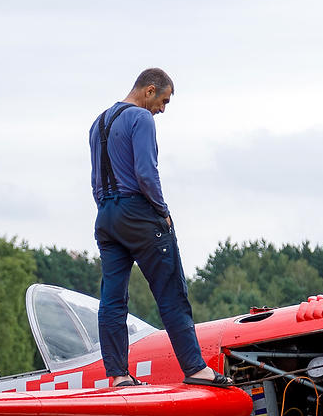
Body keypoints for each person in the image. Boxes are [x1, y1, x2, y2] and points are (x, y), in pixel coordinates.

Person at [89, 68, 225, 388]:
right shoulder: (141, 118)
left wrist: (109, 212)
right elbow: (146, 173)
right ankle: (196, 369)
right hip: (138, 213)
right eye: (163, 101)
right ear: (149, 90)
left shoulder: (98, 123)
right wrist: (162, 211)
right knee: (171, 294)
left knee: (112, 300)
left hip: (106, 216)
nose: (162, 110)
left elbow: (96, 180)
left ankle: (118, 376)